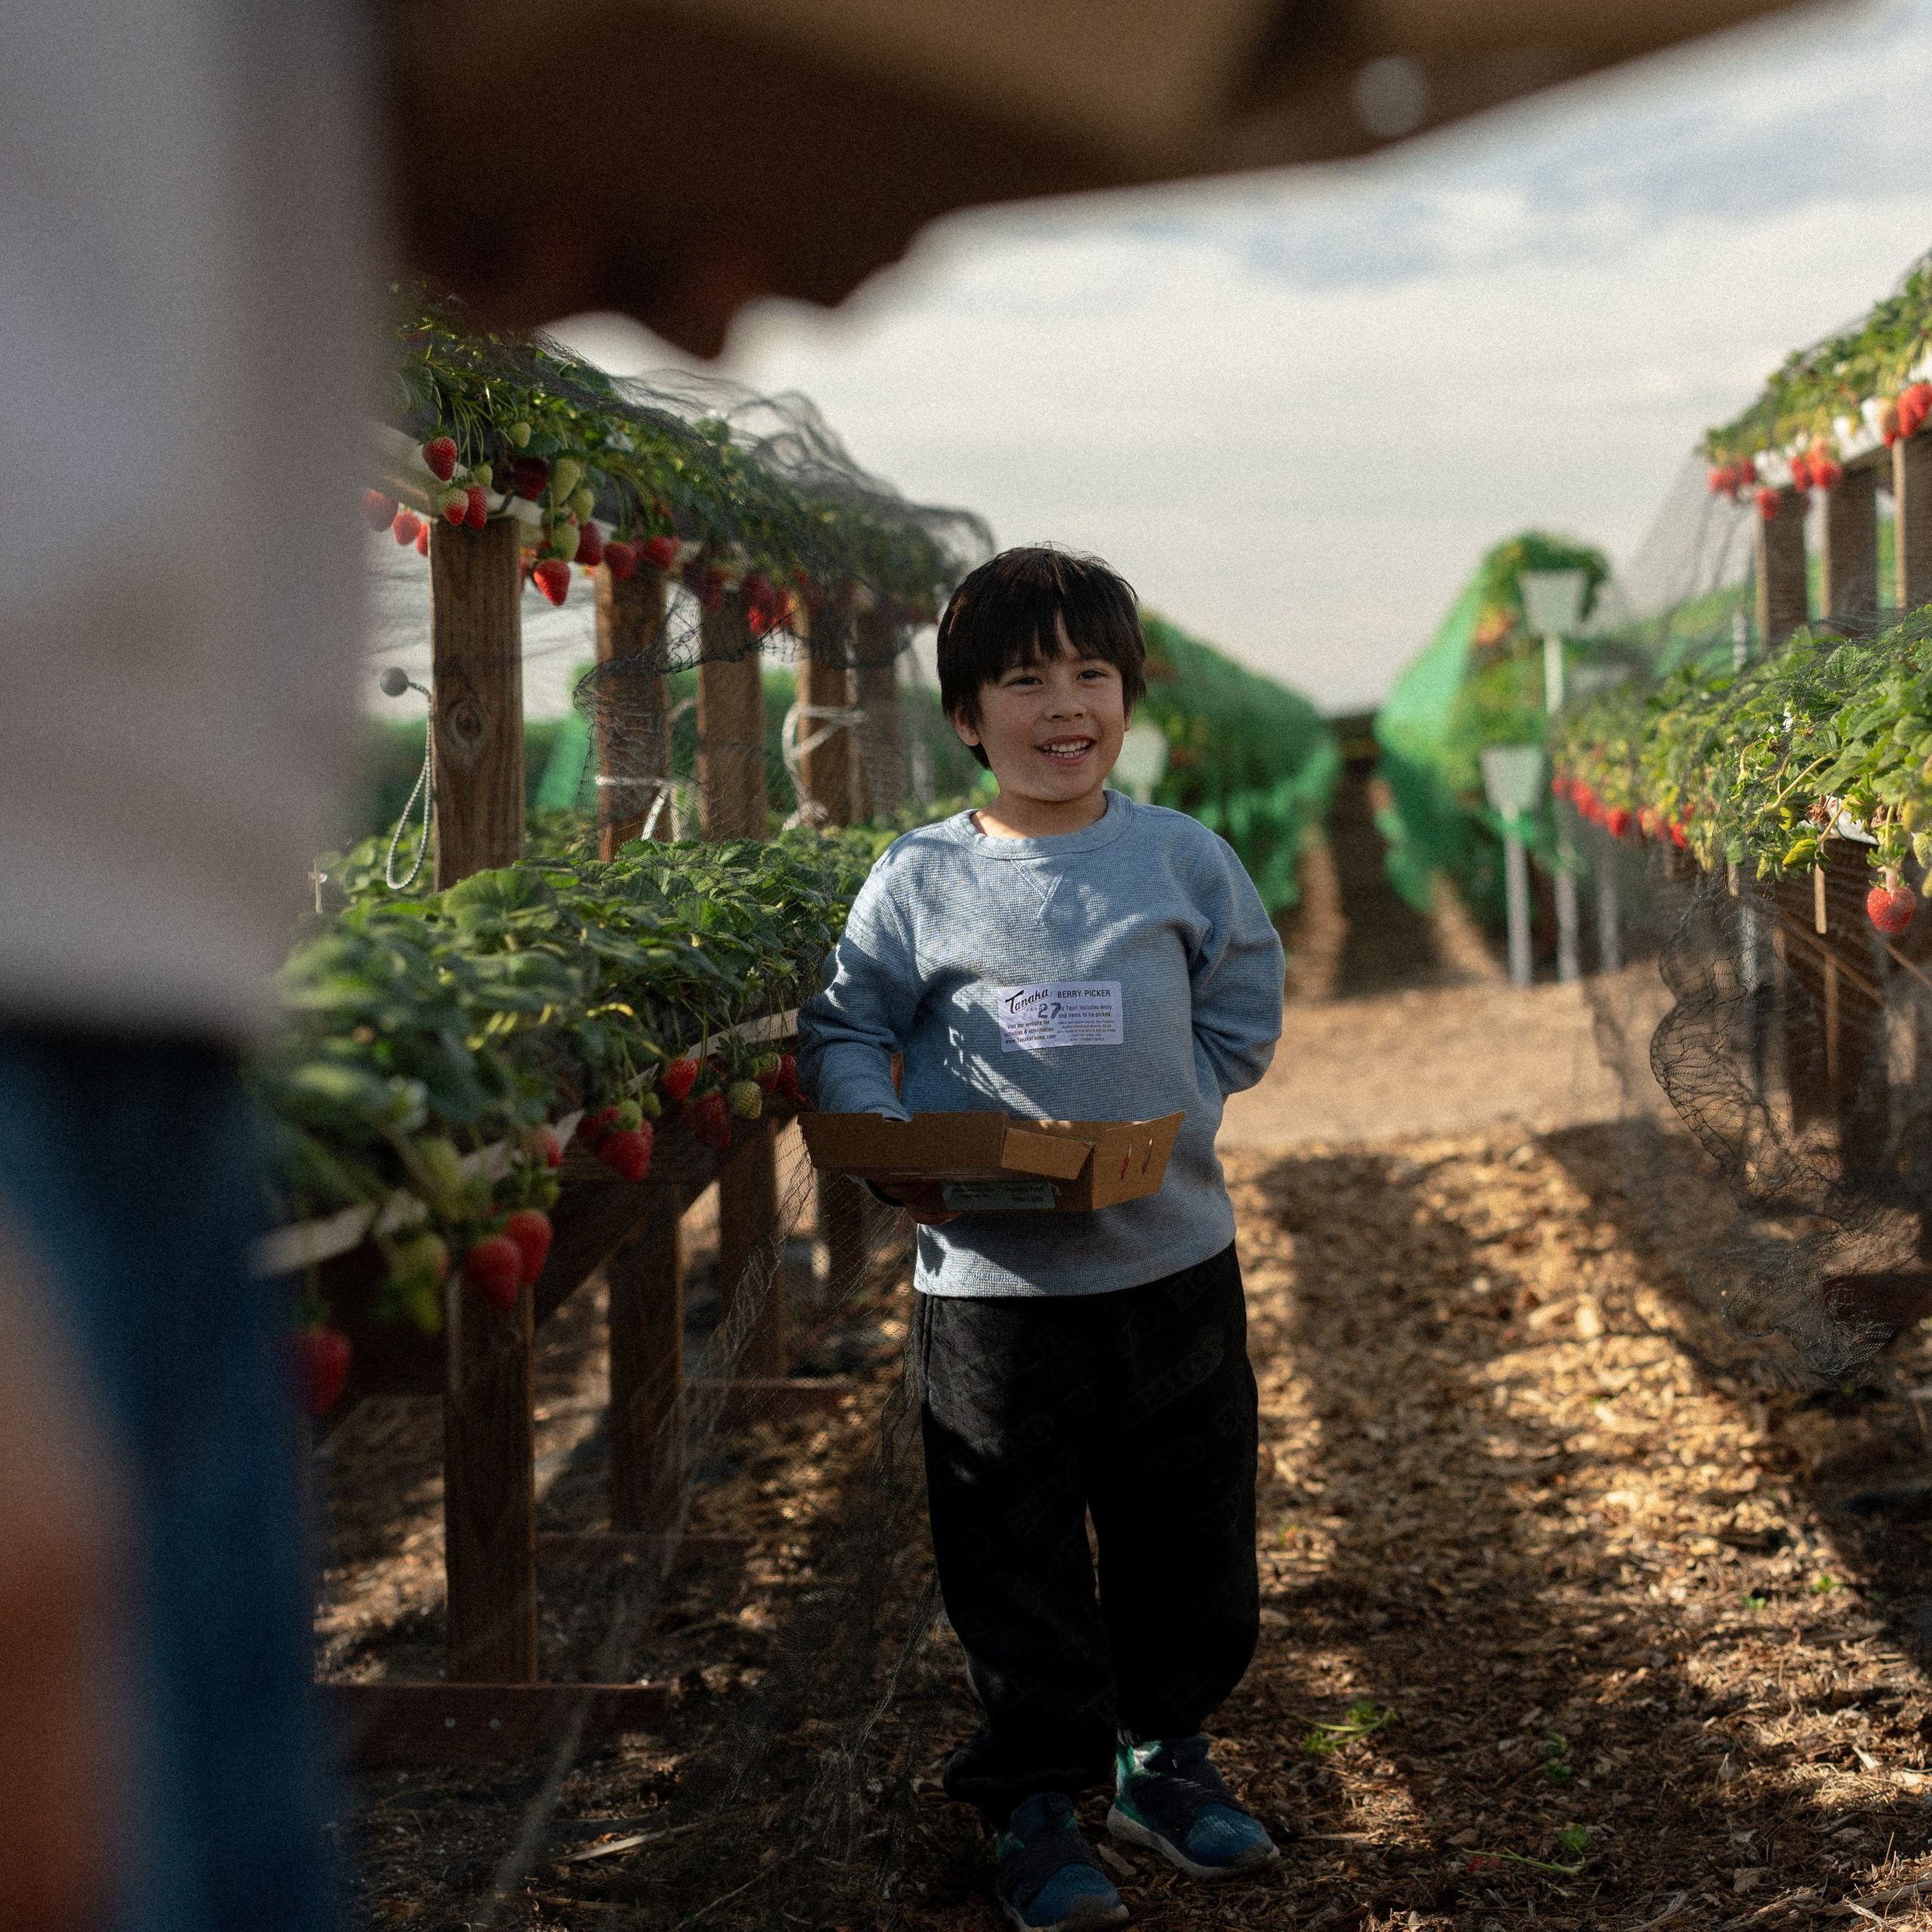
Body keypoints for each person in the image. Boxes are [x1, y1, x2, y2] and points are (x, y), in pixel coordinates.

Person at [798, 547, 1287, 1931]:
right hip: (995, 1288)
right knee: (1007, 1543)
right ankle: (1033, 1799)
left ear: (1126, 697)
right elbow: (849, 1025)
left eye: (1090, 675)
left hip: (1173, 1260)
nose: (1062, 705)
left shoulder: (1180, 857)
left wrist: (1181, 1100)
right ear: (967, 716)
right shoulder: (918, 881)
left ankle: (1164, 1758)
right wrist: (891, 1148)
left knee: (1187, 1528)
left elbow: (1242, 1001)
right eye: (1025, 679)